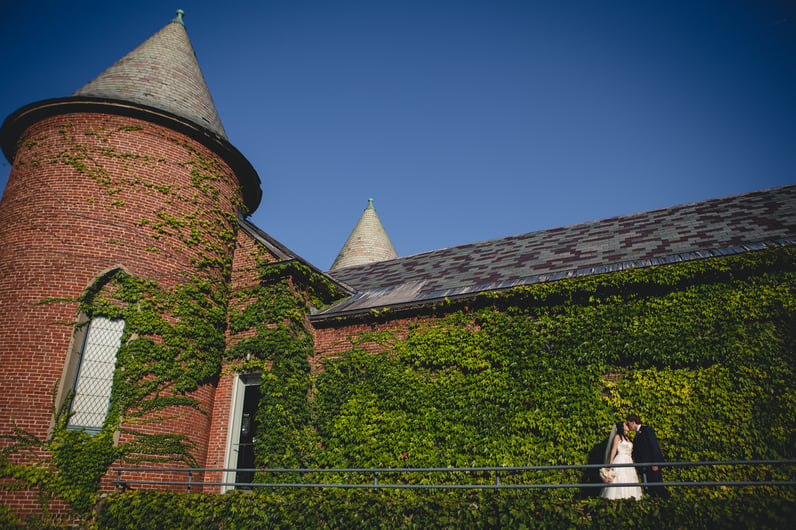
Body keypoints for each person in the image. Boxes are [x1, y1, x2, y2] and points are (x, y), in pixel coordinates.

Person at [626, 414, 670, 498]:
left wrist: (655, 462)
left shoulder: (647, 430)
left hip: (652, 463)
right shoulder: (637, 434)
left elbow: (654, 446)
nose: (628, 426)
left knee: (658, 485)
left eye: (628, 424)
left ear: (633, 422)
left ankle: (667, 501)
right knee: (650, 487)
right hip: (644, 465)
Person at [601, 421, 643, 500]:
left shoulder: (627, 438)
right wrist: (610, 463)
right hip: (620, 458)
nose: (627, 426)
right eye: (625, 425)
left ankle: (630, 498)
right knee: (620, 478)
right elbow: (613, 449)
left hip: (628, 460)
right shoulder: (617, 437)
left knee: (630, 478)